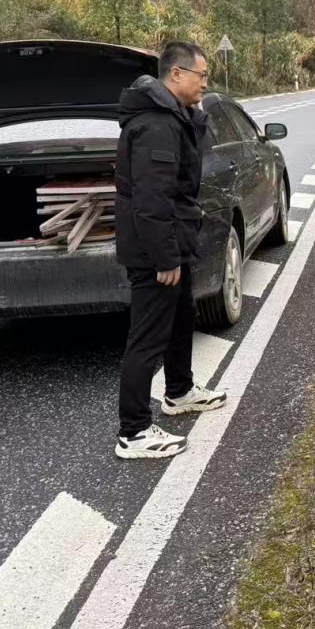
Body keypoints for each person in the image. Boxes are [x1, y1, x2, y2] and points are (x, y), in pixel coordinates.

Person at [113, 41, 228, 460]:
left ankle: (178, 392)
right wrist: (164, 259)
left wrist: (194, 117)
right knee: (146, 339)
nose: (205, 83)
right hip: (154, 251)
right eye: (201, 76)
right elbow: (151, 200)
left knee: (182, 318)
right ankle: (134, 433)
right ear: (176, 74)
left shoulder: (174, 118)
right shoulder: (156, 127)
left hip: (174, 241)